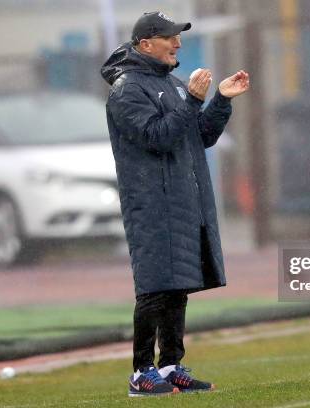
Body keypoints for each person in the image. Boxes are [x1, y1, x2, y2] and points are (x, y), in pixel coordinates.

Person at [100, 11, 249, 397]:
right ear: (145, 44)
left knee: (176, 286)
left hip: (181, 201)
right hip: (151, 203)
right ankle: (140, 371)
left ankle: (169, 365)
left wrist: (219, 102)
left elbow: (197, 136)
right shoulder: (127, 89)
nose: (178, 44)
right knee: (154, 286)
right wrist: (194, 100)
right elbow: (157, 137)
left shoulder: (171, 84)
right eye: (170, 37)